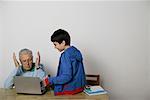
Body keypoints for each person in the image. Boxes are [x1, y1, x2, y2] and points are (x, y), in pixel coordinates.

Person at [44, 29, 86, 95]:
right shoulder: (75, 51)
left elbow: (67, 77)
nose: (54, 47)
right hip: (79, 88)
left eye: (55, 44)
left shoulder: (66, 55)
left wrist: (49, 80)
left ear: (63, 43)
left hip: (69, 90)